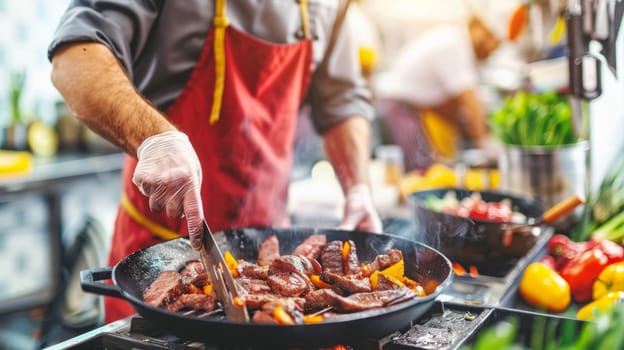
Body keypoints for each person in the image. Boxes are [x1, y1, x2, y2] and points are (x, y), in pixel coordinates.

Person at [48, 0, 382, 323]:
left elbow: (341, 100)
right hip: (160, 252)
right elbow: (74, 59)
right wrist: (156, 138)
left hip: (271, 253)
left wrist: (358, 189)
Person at [373, 15, 503, 171]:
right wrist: (484, 141)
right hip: (400, 104)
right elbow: (469, 99)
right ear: (478, 27)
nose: (490, 47)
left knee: (428, 163)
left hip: (412, 107)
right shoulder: (454, 44)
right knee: (419, 167)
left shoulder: (458, 43)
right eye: (490, 38)